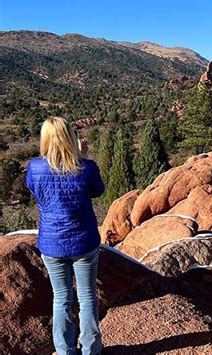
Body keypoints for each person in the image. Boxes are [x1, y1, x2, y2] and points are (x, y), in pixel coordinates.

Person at [26, 117, 105, 355]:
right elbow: (98, 190)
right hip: (84, 241)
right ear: (70, 137)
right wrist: (80, 157)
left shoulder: (34, 167)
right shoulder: (86, 167)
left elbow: (35, 191)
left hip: (52, 243)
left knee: (61, 298)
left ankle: (65, 351)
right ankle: (91, 350)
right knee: (87, 297)